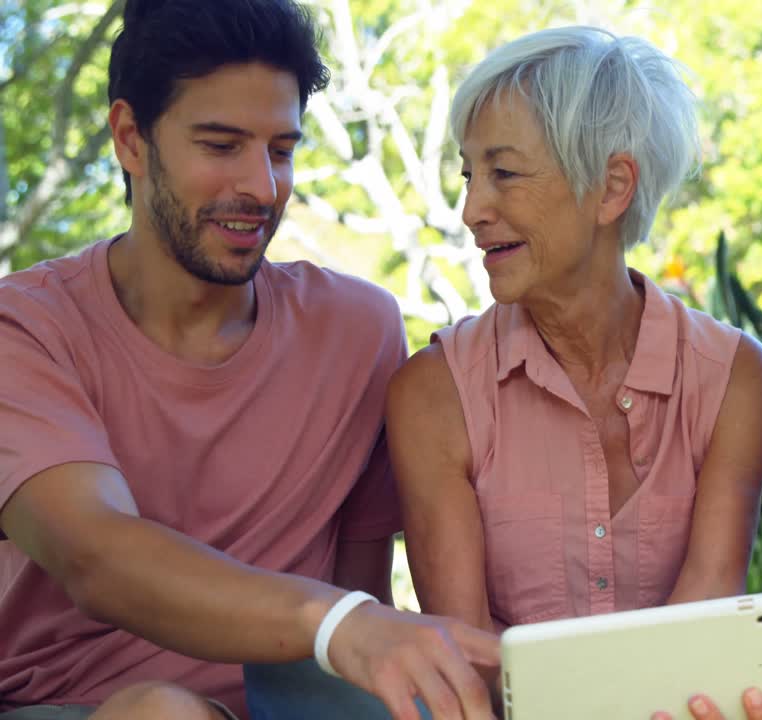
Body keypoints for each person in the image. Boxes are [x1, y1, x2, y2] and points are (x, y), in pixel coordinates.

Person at [245, 25, 762, 720]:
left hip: (676, 706)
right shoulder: (433, 392)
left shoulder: (734, 374)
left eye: (504, 173)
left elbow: (704, 610)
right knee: (298, 683)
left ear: (612, 187)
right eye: (469, 175)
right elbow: (467, 649)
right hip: (506, 709)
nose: (472, 211)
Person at [0, 2, 503, 719]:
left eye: (281, 150)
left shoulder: (356, 331)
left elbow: (365, 594)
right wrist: (334, 623)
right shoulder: (24, 328)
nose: (262, 189)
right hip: (70, 704)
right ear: (130, 139)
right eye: (221, 145)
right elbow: (95, 557)